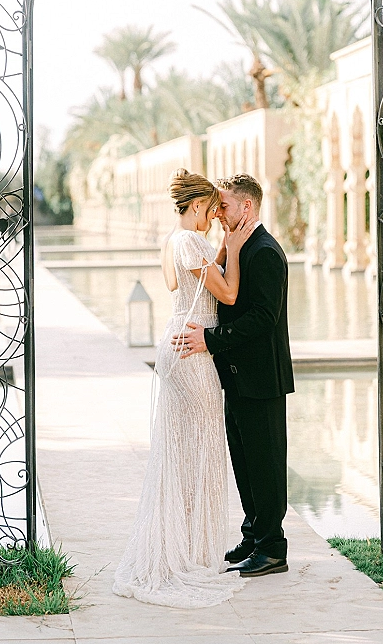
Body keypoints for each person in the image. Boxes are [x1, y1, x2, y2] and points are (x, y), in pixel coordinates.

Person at [113, 168, 255, 608]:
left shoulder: (172, 242)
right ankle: (189, 551)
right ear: (197, 206)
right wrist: (231, 247)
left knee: (182, 447)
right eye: (212, 209)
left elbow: (179, 284)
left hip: (177, 343)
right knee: (204, 444)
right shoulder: (193, 242)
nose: (216, 217)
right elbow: (228, 294)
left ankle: (184, 542)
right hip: (194, 349)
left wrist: (214, 250)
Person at [175, 173, 295, 577]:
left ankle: (273, 548)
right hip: (236, 376)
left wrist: (211, 339)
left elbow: (264, 318)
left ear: (247, 207)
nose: (219, 213)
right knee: (244, 462)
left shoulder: (264, 251)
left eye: (224, 206)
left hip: (261, 378)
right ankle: (253, 536)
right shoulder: (241, 247)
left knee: (265, 463)